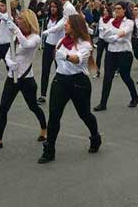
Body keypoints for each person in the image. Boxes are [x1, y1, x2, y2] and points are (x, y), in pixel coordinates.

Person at [38, 15, 101, 164]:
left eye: (68, 23)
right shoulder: (61, 41)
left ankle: (95, 136)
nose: (65, 25)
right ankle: (49, 149)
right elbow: (57, 57)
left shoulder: (85, 44)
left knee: (84, 114)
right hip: (60, 80)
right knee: (54, 115)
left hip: (79, 82)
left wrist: (65, 55)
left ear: (76, 26)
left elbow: (78, 59)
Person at [0, 10, 47, 150]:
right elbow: (8, 53)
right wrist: (9, 62)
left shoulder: (35, 38)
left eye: (20, 19)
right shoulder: (16, 37)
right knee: (3, 108)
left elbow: (26, 45)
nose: (17, 21)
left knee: (33, 106)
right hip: (12, 77)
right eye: (17, 19)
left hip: (26, 79)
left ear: (27, 21)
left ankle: (44, 128)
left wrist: (15, 30)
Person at [94, 2, 138, 111]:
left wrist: (113, 36)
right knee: (107, 78)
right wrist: (113, 36)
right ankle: (103, 103)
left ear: (124, 10)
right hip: (111, 52)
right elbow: (104, 35)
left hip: (124, 53)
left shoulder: (129, 22)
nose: (117, 10)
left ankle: (135, 97)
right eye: (115, 9)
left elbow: (123, 33)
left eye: (119, 8)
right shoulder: (111, 21)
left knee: (125, 77)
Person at [38, 0, 64, 104]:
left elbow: (57, 29)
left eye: (54, 7)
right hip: (48, 46)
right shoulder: (48, 17)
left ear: (58, 8)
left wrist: (47, 31)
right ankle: (43, 95)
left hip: (58, 47)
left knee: (60, 70)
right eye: (51, 7)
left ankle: (62, 92)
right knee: (45, 70)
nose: (52, 8)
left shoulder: (62, 19)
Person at [94, 5, 113, 78]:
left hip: (108, 40)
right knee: (98, 55)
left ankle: (108, 71)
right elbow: (99, 28)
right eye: (104, 10)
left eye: (106, 11)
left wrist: (104, 29)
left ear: (109, 12)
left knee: (108, 57)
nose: (105, 12)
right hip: (101, 39)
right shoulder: (101, 19)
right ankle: (97, 71)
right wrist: (103, 29)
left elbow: (110, 29)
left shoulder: (112, 20)